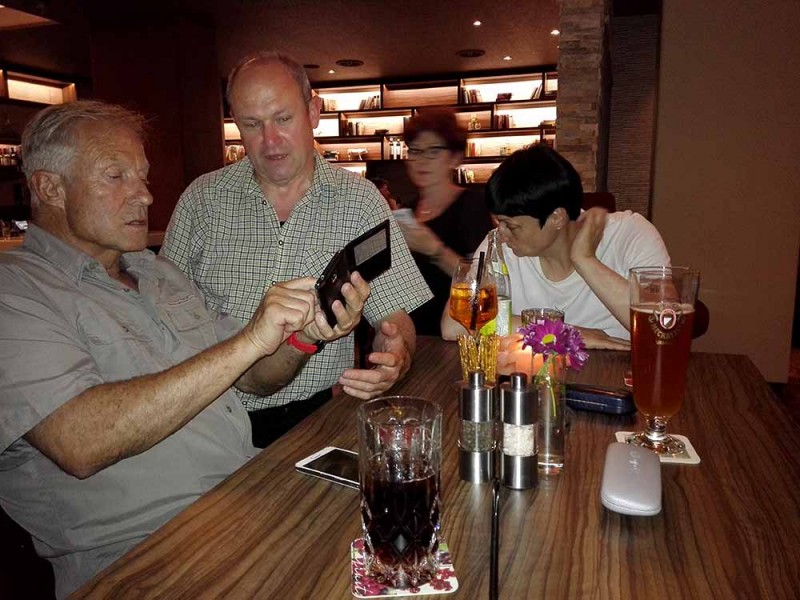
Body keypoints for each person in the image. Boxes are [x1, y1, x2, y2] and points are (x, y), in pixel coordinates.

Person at [0, 101, 370, 598]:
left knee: (416, 517)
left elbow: (252, 376)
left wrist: (305, 337)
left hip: (248, 493)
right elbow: (81, 442)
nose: (145, 194)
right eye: (116, 176)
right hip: (143, 554)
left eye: (143, 176)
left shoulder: (158, 273)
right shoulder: (15, 291)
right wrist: (249, 342)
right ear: (49, 187)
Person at [161, 51, 431, 447]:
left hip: (312, 421)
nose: (270, 141)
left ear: (313, 112)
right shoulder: (201, 200)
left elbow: (394, 315)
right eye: (252, 124)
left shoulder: (360, 202)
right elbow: (159, 317)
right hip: (205, 419)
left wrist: (395, 354)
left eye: (283, 119)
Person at [441, 144, 671, 349]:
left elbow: (663, 330)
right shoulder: (498, 247)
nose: (500, 233)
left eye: (511, 225)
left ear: (557, 218)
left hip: (618, 376)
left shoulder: (629, 234)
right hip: (532, 376)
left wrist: (584, 259)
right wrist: (565, 333)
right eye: (498, 222)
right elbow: (453, 325)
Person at [396, 107, 493, 336]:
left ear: (455, 158)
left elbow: (485, 281)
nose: (421, 160)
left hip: (454, 335)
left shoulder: (473, 206)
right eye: (415, 151)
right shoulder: (406, 210)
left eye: (433, 151)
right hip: (407, 334)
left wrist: (435, 250)